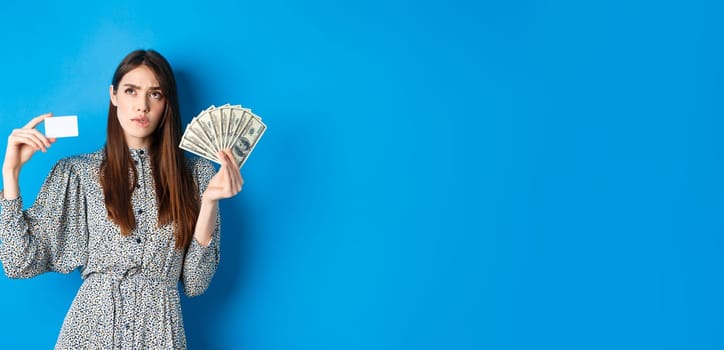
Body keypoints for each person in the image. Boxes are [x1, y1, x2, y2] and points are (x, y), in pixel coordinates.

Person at [0, 49, 242, 349]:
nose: (142, 105)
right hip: (91, 333)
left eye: (155, 94)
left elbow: (195, 283)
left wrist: (210, 204)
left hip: (160, 336)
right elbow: (17, 262)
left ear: (167, 104)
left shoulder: (197, 176)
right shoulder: (78, 173)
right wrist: (10, 174)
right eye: (131, 91)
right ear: (113, 95)